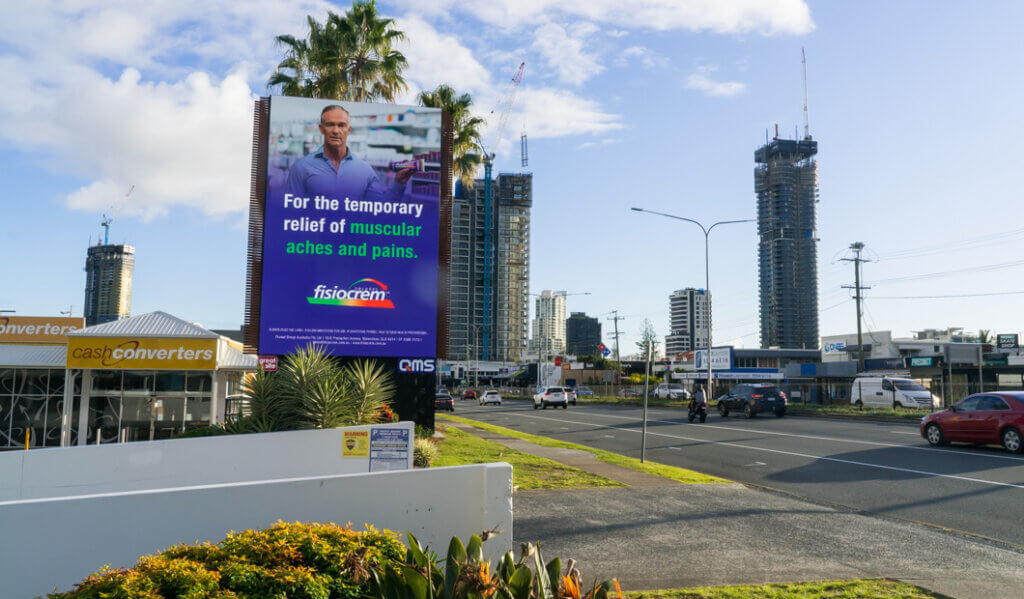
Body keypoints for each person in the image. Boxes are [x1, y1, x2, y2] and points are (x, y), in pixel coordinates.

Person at [285, 104, 415, 202]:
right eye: (330, 124)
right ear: (321, 129)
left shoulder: (365, 170)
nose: (336, 131)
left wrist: (399, 183)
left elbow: (380, 209)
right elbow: (290, 215)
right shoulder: (301, 168)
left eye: (341, 125)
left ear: (349, 130)